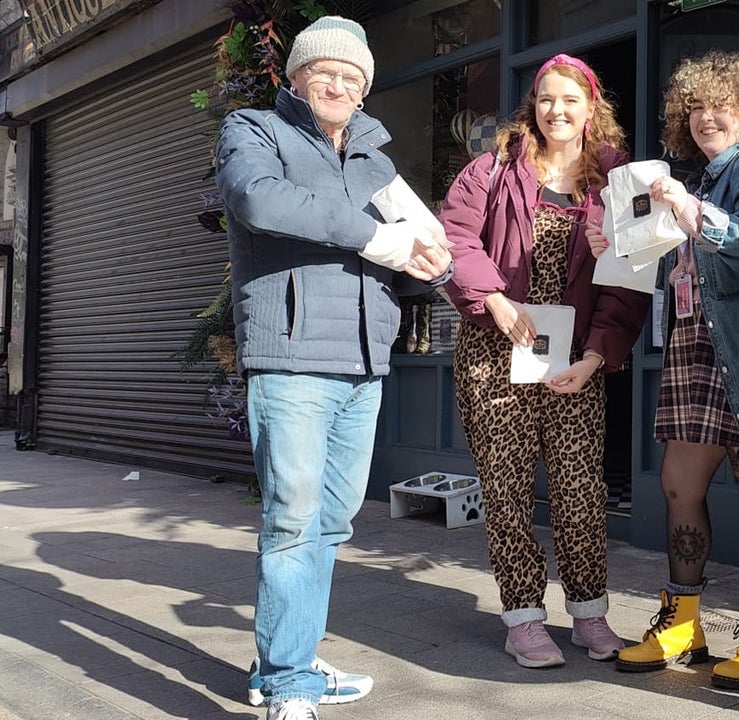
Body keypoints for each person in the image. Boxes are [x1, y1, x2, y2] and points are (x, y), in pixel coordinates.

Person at [216, 16, 453, 720]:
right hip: (290, 354)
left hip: (363, 362)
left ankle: (288, 659)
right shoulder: (255, 131)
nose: (340, 84)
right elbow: (259, 199)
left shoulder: (377, 162)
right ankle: (289, 685)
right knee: (292, 519)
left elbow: (390, 258)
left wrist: (426, 264)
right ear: (295, 76)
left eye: (354, 78)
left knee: (330, 522)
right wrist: (379, 238)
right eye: (326, 71)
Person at [593, 51, 739, 689]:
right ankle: (683, 621)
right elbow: (687, 270)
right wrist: (624, 251)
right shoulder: (702, 178)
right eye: (696, 106)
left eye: (722, 104)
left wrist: (695, 215)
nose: (707, 116)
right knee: (679, 484)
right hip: (692, 343)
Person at [438, 54, 649, 669]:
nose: (558, 110)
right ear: (535, 104)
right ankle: (525, 618)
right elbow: (454, 236)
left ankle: (589, 615)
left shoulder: (614, 179)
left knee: (581, 488)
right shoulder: (494, 169)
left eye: (571, 100)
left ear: (591, 108)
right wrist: (493, 299)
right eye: (547, 99)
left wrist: (597, 355)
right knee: (505, 489)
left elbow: (628, 275)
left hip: (574, 359)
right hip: (495, 350)